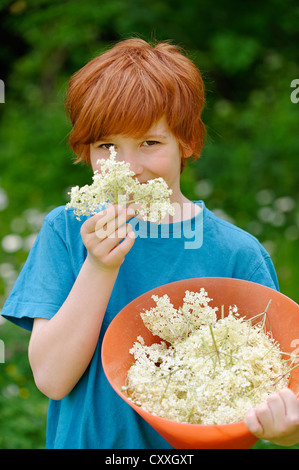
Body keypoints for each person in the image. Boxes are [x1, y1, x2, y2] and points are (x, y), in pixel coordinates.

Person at [1, 38, 299, 449]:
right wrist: (99, 266)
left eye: (150, 143)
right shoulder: (65, 232)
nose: (128, 168)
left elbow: (278, 393)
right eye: (107, 146)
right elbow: (52, 379)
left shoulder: (237, 254)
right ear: (85, 150)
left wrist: (287, 432)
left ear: (187, 143)